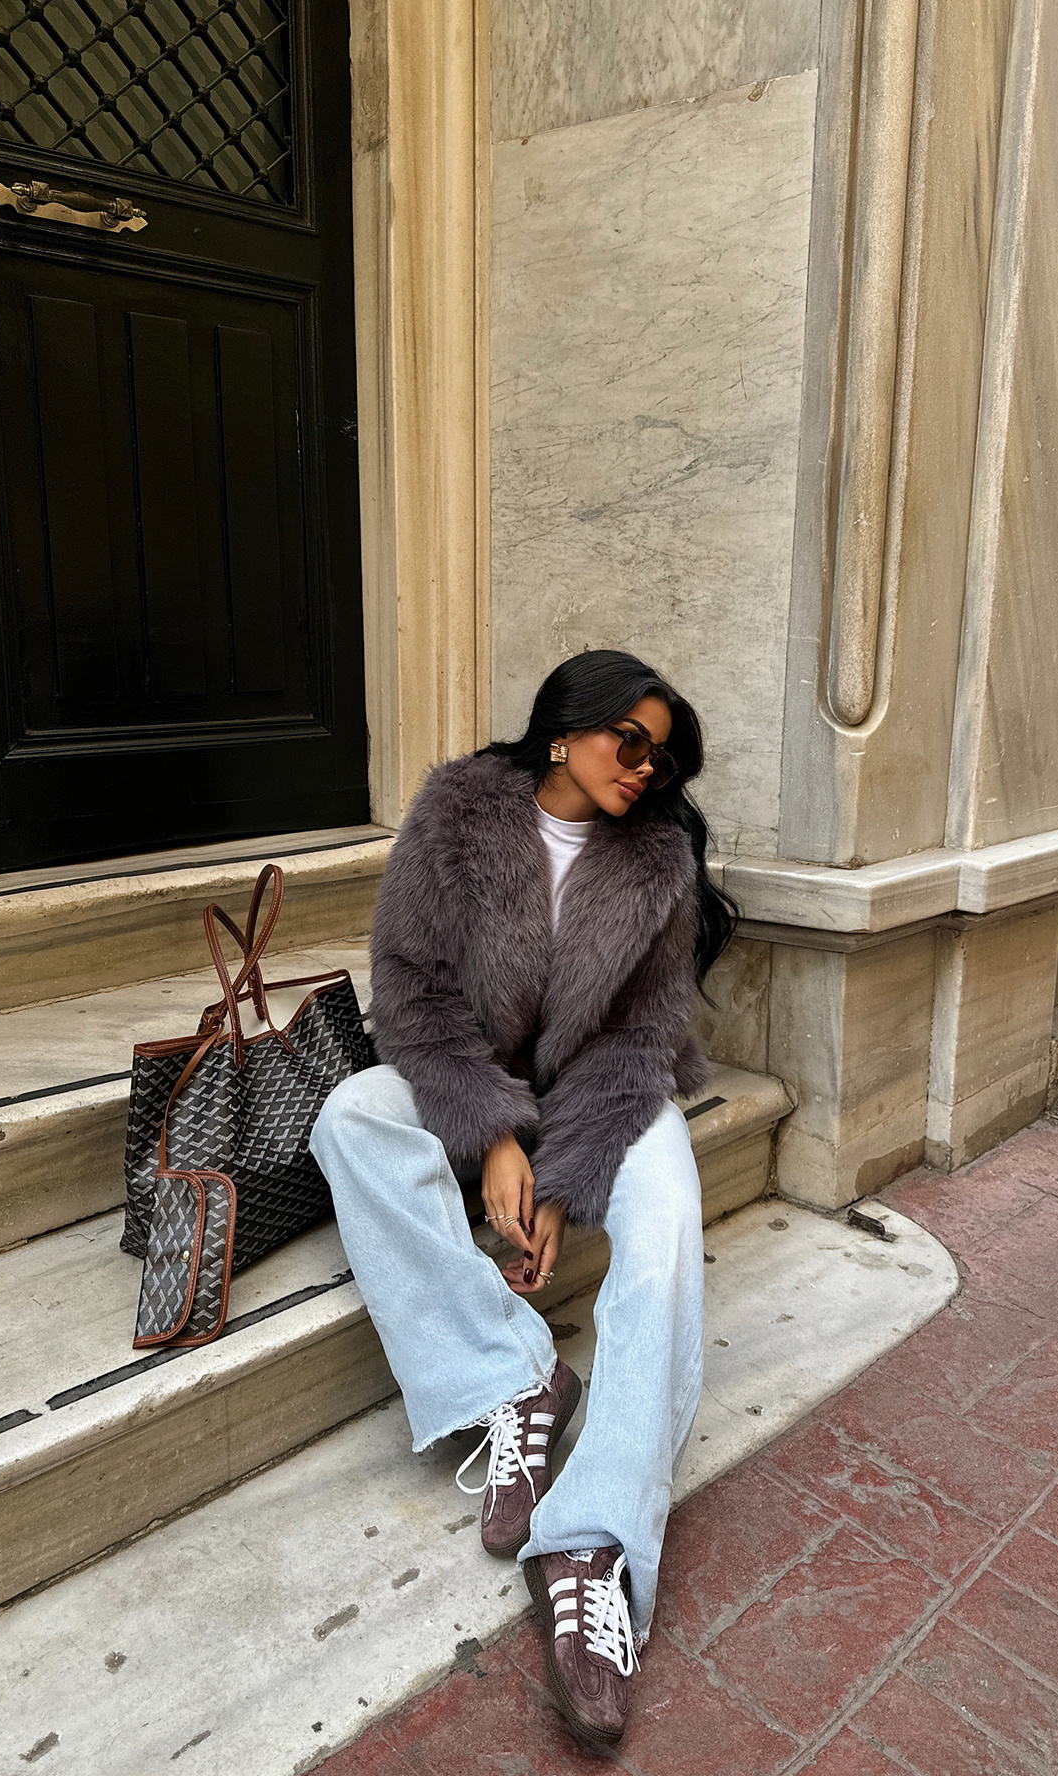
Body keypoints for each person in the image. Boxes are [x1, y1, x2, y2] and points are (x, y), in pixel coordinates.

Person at [309, 648, 737, 1751]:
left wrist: (565, 1182)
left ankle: (591, 1544)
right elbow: (408, 992)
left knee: (666, 1216)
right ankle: (514, 1380)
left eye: (661, 756)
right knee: (350, 1117)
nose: (643, 768)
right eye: (628, 740)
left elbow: (639, 1043)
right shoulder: (456, 814)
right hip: (469, 1081)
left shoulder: (659, 862)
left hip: (603, 1098)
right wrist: (492, 1133)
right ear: (564, 728)